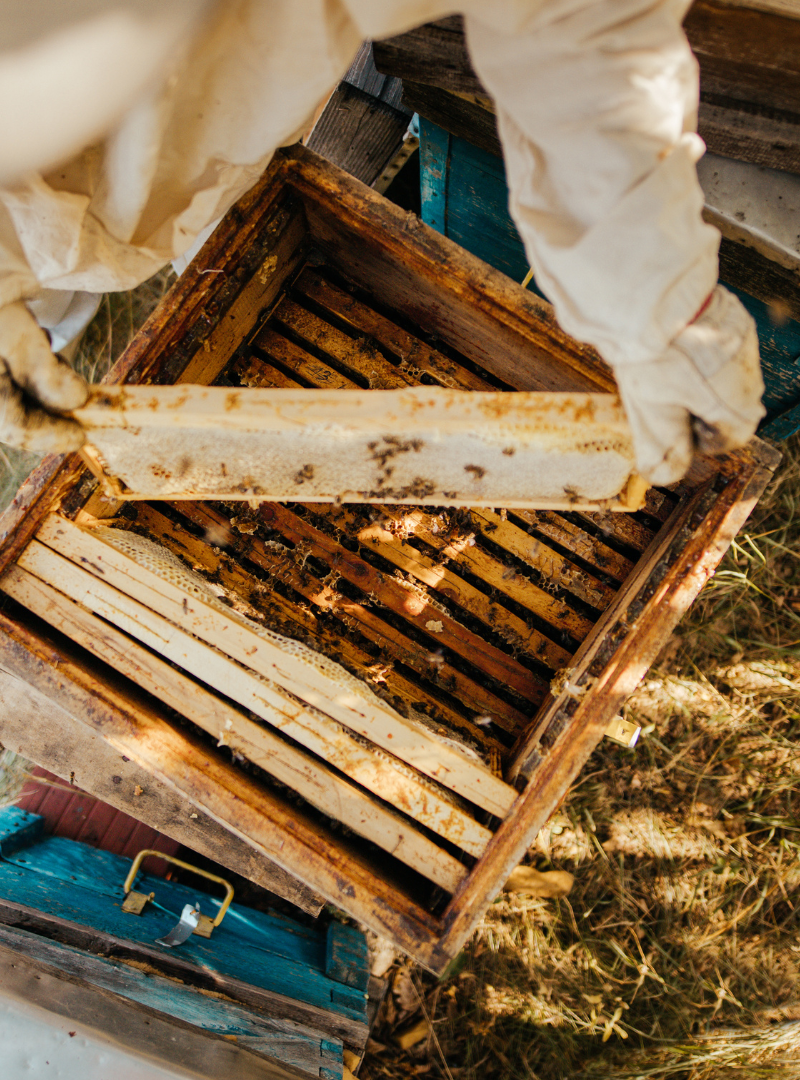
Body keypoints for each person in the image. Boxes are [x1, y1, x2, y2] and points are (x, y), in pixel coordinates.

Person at [0, 0, 764, 484]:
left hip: (214, 97)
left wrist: (651, 298)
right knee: (50, 296)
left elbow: (572, 18)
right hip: (53, 201)